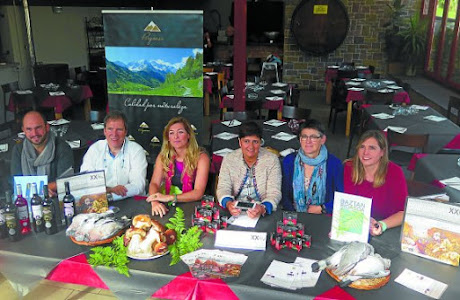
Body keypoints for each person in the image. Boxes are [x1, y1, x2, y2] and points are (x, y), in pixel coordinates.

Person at [344, 130, 408, 236]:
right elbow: (343, 203)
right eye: (362, 147)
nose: (365, 152)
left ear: (382, 152)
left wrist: (381, 225)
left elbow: (403, 213)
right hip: (354, 227)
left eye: (372, 148)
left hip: (386, 229)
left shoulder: (394, 172)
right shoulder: (348, 168)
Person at [146, 117, 209, 217]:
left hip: (191, 206)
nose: (176, 137)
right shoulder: (163, 156)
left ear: (188, 135)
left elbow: (198, 192)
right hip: (167, 204)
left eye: (180, 132)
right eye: (171, 133)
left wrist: (170, 197)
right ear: (168, 138)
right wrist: (155, 202)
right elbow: (154, 183)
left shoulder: (201, 157)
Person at [216, 122, 281, 219]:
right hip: (234, 210)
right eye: (246, 141)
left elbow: (274, 192)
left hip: (262, 210)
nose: (251, 147)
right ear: (239, 142)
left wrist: (263, 208)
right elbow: (223, 187)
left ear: (260, 142)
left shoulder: (271, 160)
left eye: (255, 142)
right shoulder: (229, 159)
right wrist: (229, 204)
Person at [80, 111, 147, 201]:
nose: (114, 134)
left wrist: (111, 194)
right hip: (101, 201)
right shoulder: (94, 149)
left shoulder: (136, 150)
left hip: (130, 201)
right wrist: (110, 190)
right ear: (104, 131)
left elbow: (138, 186)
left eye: (119, 129)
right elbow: (86, 181)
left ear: (126, 132)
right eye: (110, 129)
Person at [281, 120, 343, 213]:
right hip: (292, 216)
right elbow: (284, 194)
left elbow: (340, 197)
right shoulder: (289, 161)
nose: (308, 141)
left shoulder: (334, 164)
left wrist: (323, 208)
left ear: (322, 140)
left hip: (322, 217)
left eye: (313, 137)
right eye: (304, 137)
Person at [11, 111, 73, 195]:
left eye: (38, 128)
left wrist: (43, 189)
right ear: (23, 130)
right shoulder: (18, 150)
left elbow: (66, 181)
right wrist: (43, 189)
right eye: (29, 129)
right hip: (27, 201)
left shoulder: (62, 148)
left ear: (47, 127)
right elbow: (16, 183)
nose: (34, 133)